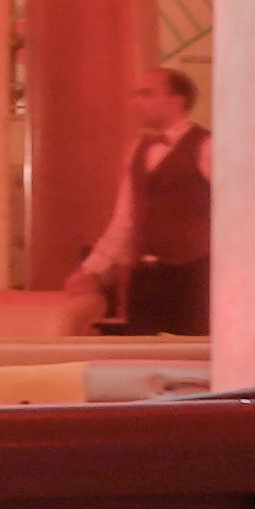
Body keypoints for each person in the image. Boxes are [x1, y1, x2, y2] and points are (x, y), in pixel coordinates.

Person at [66, 64, 210, 337]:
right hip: (145, 277)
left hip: (194, 276)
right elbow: (125, 219)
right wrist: (91, 269)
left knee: (191, 357)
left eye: (146, 94)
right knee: (141, 354)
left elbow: (233, 212)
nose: (136, 103)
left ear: (175, 101)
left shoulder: (206, 146)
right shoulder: (137, 149)